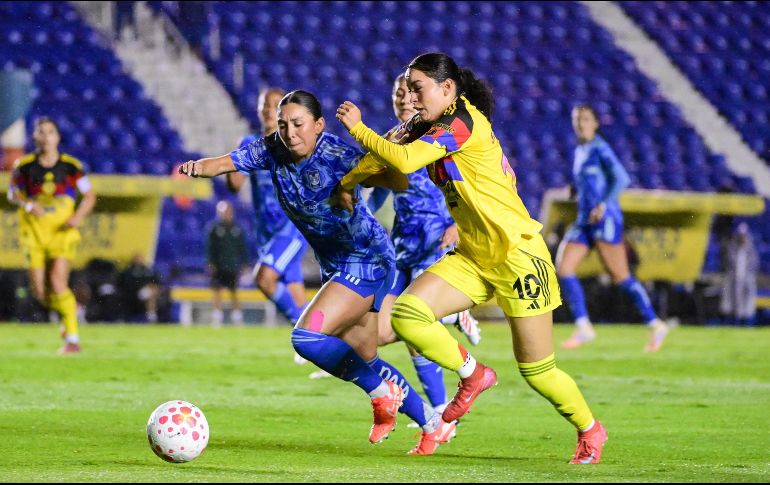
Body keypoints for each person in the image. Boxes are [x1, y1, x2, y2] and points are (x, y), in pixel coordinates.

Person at [335, 52, 607, 464]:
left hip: (517, 255)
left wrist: (358, 128)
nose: (410, 96)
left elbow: (404, 160)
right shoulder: (423, 125)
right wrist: (348, 183)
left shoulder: (462, 121)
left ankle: (590, 429)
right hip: (473, 255)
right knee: (409, 314)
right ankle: (473, 375)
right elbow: (383, 156)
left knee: (537, 370)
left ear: (447, 89)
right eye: (407, 87)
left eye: (417, 87)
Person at [177, 89, 457, 455]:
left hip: (366, 259)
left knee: (306, 338)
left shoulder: (337, 155)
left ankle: (380, 393)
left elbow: (399, 182)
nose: (290, 132)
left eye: (298, 124)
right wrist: (196, 168)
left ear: (318, 125)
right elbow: (227, 162)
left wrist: (355, 180)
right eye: (283, 124)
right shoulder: (272, 148)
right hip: (337, 264)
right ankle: (433, 426)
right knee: (368, 357)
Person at [363, 74, 482, 414]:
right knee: (382, 331)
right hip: (404, 245)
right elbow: (382, 190)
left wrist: (457, 225)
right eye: (396, 93)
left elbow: (465, 182)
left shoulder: (435, 136)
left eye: (408, 92)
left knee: (412, 327)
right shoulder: (392, 141)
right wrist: (358, 218)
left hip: (435, 240)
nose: (402, 98)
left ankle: (441, 410)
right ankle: (451, 317)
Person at [554, 104, 670, 352]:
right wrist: (576, 191)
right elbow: (588, 181)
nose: (580, 124)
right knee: (564, 267)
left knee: (620, 276)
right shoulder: (580, 150)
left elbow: (622, 178)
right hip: (585, 219)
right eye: (577, 120)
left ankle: (655, 323)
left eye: (585, 119)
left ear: (595, 123)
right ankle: (584, 326)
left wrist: (603, 205)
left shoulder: (600, 148)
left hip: (605, 219)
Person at [225, 88, 310, 345]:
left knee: (264, 278)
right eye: (263, 105)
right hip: (267, 231)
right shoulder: (251, 143)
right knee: (296, 292)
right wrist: (235, 159)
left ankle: (307, 335)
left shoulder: (293, 142)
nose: (267, 110)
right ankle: (327, 345)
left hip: (292, 227)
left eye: (273, 105)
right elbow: (234, 185)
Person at [6, 116, 96, 354]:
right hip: (34, 234)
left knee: (57, 282)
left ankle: (73, 339)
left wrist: (78, 217)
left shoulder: (71, 167)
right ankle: (67, 313)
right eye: (41, 132)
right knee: (40, 292)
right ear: (35, 137)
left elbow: (89, 195)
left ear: (58, 137)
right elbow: (12, 194)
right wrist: (27, 205)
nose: (46, 137)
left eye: (50, 132)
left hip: (61, 232)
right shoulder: (24, 166)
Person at [206, 200, 249, 326]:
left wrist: (244, 262)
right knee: (216, 291)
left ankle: (237, 316)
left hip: (232, 265)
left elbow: (242, 247)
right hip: (218, 265)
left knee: (233, 291)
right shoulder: (214, 228)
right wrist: (210, 262)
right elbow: (209, 247)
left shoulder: (237, 229)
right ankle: (217, 316)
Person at [719, 222, 758, 325]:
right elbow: (728, 264)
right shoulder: (732, 248)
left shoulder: (751, 249)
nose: (742, 238)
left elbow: (754, 265)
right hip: (734, 279)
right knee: (731, 302)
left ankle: (747, 322)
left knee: (747, 303)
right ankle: (733, 321)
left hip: (746, 279)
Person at [117, 252, 161, 323]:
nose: (139, 261)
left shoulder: (148, 270)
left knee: (152, 292)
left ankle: (151, 315)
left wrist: (152, 287)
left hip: (146, 291)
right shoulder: (129, 270)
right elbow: (125, 283)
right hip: (133, 292)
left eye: (141, 259)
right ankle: (151, 316)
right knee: (151, 293)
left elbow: (156, 281)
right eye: (137, 259)